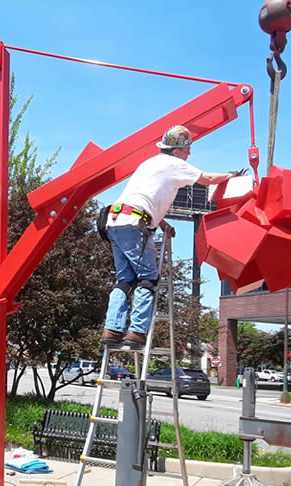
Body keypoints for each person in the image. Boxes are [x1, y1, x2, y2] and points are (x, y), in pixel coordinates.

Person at [101, 125, 239, 346]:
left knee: (124, 280)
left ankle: (112, 330)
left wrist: (163, 224)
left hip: (116, 221)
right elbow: (206, 178)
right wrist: (231, 176)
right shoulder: (174, 164)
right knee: (147, 278)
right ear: (176, 151)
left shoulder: (149, 164)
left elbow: (143, 200)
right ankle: (136, 332)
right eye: (187, 149)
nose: (189, 153)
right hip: (136, 223)